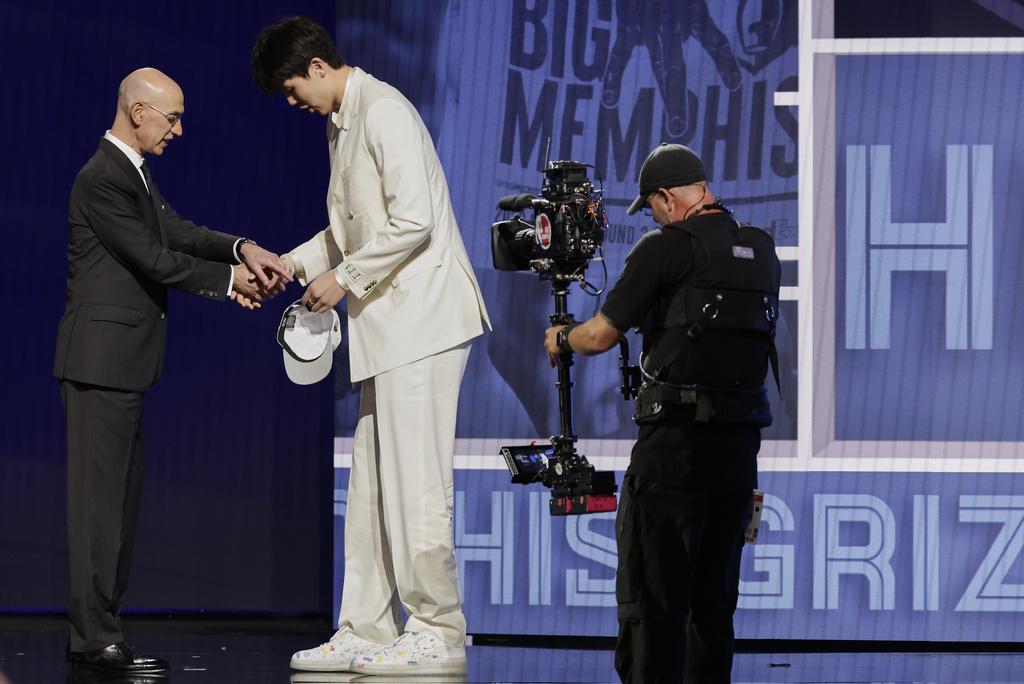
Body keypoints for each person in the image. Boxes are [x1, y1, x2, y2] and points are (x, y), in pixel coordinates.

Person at [250, 17, 490, 676]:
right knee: (371, 489)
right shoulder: (343, 122)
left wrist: (344, 278)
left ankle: (438, 630)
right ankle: (365, 627)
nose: (293, 102)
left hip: (425, 321)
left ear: (317, 67)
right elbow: (349, 231)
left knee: (416, 482)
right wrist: (289, 266)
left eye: (292, 88)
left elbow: (414, 220)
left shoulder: (384, 111)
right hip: (389, 326)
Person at [54, 67, 290, 674]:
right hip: (99, 365)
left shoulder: (132, 172)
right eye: (172, 117)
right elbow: (153, 258)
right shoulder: (102, 177)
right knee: (99, 511)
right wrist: (230, 282)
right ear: (138, 111)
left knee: (120, 507)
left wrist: (241, 248)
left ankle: (101, 634)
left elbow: (176, 231)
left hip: (123, 367)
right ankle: (93, 639)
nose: (179, 130)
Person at [544, 143, 781, 683]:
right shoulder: (761, 250)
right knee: (712, 607)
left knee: (652, 603)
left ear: (667, 197)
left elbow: (600, 335)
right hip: (738, 457)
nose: (652, 217)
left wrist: (562, 337)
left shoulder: (663, 248)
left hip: (673, 452)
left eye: (651, 206)